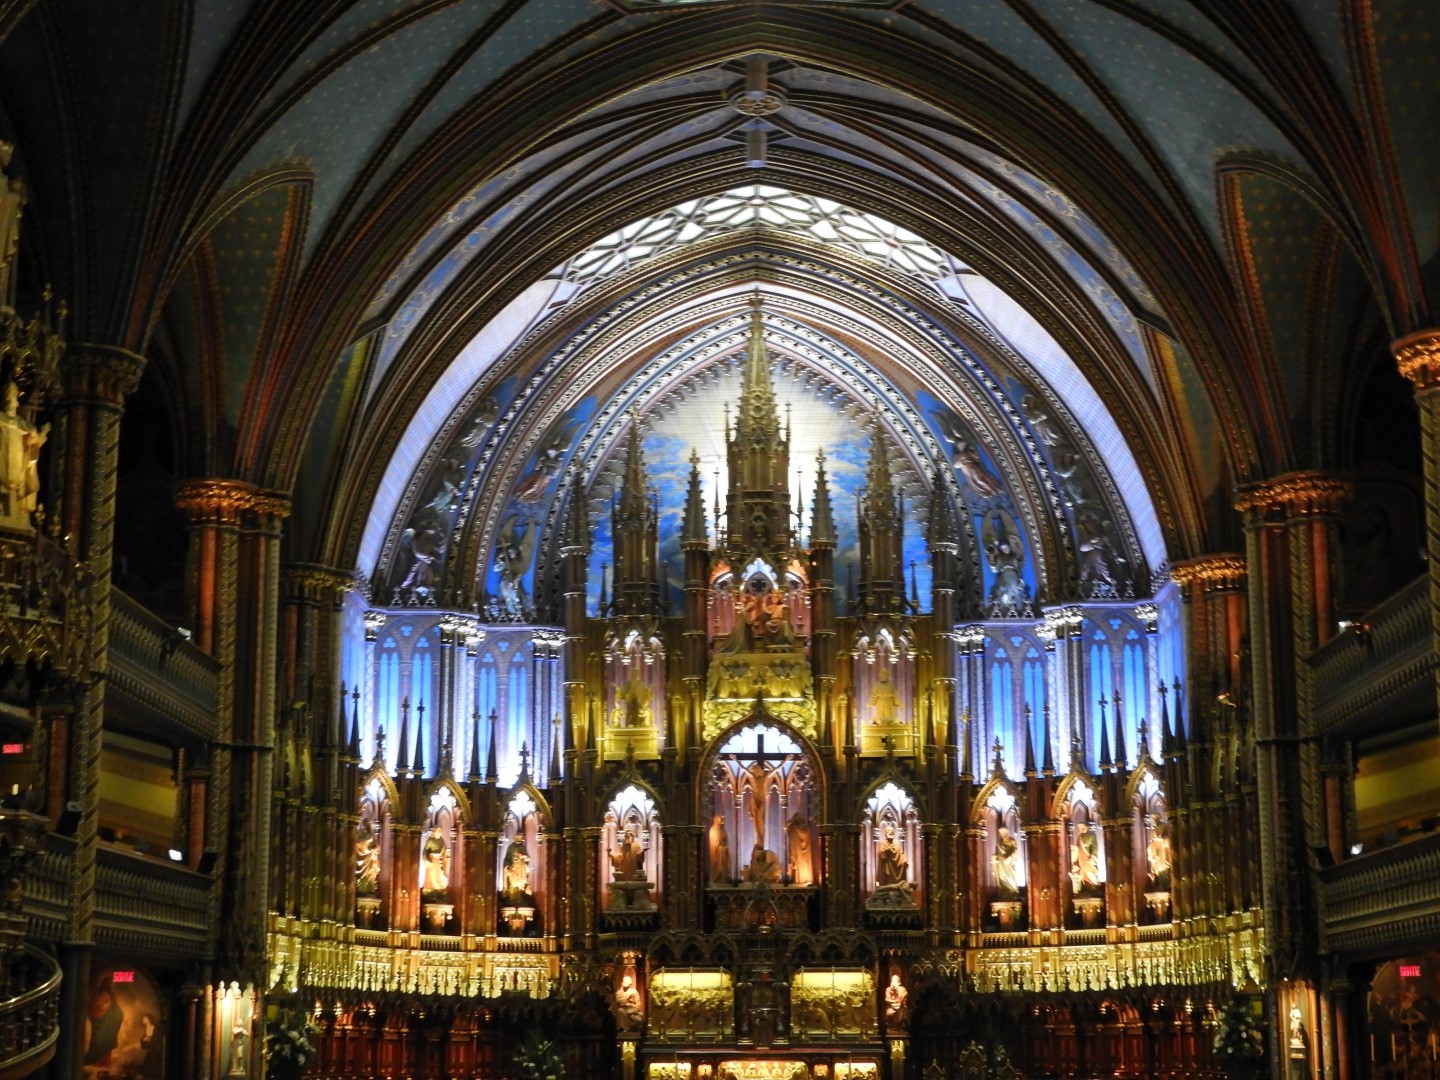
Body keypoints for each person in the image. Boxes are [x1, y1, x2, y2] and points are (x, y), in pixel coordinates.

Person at [1070, 822, 1101, 893]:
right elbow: (1078, 848)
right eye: (1079, 828)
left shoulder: (1092, 835)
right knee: (1083, 875)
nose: (1080, 829)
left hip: (1088, 860)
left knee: (1091, 875)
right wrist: (1074, 849)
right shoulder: (1079, 837)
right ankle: (1084, 888)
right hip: (1081, 860)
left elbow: (1095, 847)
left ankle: (1092, 888)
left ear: (1086, 827)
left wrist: (1093, 857)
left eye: (1082, 828)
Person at [876, 822, 909, 889]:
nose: (890, 832)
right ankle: (887, 887)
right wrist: (886, 850)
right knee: (886, 881)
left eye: (892, 831)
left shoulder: (897, 842)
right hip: (887, 866)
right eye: (888, 831)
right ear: (885, 833)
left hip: (896, 868)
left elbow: (901, 853)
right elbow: (881, 853)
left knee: (903, 863)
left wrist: (905, 860)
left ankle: (898, 886)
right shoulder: (883, 843)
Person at [786, 813, 814, 886]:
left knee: (799, 862)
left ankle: (800, 879)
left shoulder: (794, 828)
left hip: (799, 853)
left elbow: (793, 841)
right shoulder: (804, 828)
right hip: (800, 852)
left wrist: (789, 826)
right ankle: (800, 879)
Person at [993, 826, 1020, 898]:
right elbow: (997, 853)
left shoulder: (1012, 840)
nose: (1003, 834)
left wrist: (1009, 857)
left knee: (1010, 877)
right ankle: (1004, 893)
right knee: (1002, 878)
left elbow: (1015, 851)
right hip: (1001, 864)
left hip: (1009, 863)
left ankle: (1013, 892)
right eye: (1001, 833)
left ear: (1007, 832)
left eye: (1004, 832)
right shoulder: (999, 842)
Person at [356, 826, 381, 894]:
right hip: (365, 862)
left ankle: (371, 887)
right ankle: (363, 888)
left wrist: (374, 851)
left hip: (371, 863)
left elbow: (377, 848)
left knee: (371, 875)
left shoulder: (372, 838)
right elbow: (360, 848)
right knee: (364, 875)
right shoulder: (362, 838)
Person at [709, 815, 731, 884]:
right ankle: (717, 879)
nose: (722, 822)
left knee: (724, 867)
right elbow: (714, 844)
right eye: (721, 820)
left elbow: (725, 840)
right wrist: (721, 848)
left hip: (724, 851)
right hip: (718, 853)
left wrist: (726, 846)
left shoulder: (723, 830)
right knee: (719, 866)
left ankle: (724, 880)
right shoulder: (713, 830)